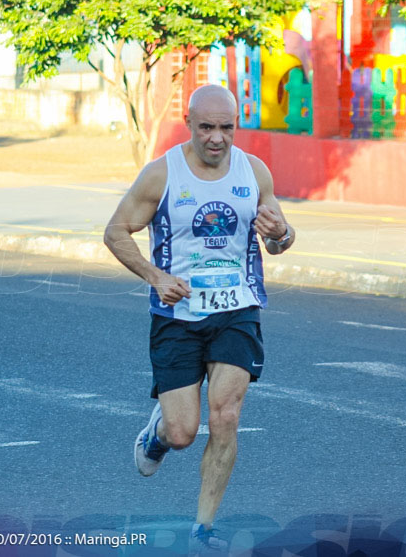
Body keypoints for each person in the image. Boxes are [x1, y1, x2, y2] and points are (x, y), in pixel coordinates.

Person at [104, 84, 295, 553]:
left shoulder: (254, 173)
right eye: (206, 127)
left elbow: (279, 239)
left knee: (226, 415)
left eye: (226, 128)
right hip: (178, 314)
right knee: (184, 432)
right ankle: (158, 435)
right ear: (189, 124)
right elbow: (115, 231)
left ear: (236, 126)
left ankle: (203, 529)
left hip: (238, 310)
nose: (217, 138)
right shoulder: (161, 175)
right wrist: (154, 275)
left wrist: (282, 233)